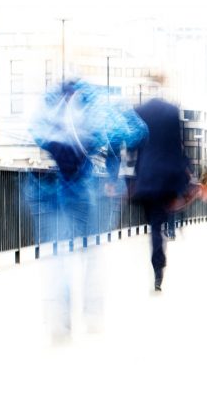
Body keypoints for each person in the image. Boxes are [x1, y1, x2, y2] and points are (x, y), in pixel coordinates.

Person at [28, 79, 147, 343]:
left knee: (60, 249)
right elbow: (136, 131)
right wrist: (110, 162)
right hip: (92, 184)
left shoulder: (52, 100)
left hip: (55, 184)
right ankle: (92, 312)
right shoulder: (97, 101)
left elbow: (36, 130)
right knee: (91, 249)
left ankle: (61, 313)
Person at [132, 77, 191, 293]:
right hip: (167, 177)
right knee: (160, 222)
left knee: (154, 226)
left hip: (146, 176)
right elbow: (178, 146)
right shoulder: (172, 111)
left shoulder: (140, 110)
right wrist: (183, 177)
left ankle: (157, 263)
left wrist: (131, 177)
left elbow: (133, 146)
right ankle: (159, 264)